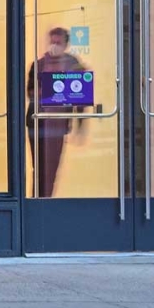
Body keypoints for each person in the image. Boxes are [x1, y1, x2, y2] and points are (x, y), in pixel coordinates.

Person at [25, 26, 90, 199]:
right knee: (38, 167)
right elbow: (30, 92)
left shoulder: (74, 64)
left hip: (58, 125)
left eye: (58, 42)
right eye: (52, 42)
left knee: (52, 167)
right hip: (38, 123)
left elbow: (81, 97)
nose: (54, 46)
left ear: (66, 44)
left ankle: (46, 200)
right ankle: (36, 201)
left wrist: (80, 124)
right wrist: (45, 92)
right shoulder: (38, 65)